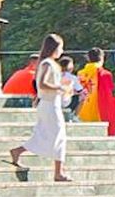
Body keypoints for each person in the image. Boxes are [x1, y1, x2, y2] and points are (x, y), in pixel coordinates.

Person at [9, 35, 72, 182]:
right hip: (49, 104)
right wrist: (60, 87)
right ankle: (58, 172)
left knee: (50, 135)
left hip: (52, 103)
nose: (61, 51)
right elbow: (42, 84)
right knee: (57, 135)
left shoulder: (50, 64)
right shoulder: (47, 64)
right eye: (60, 48)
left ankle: (18, 151)